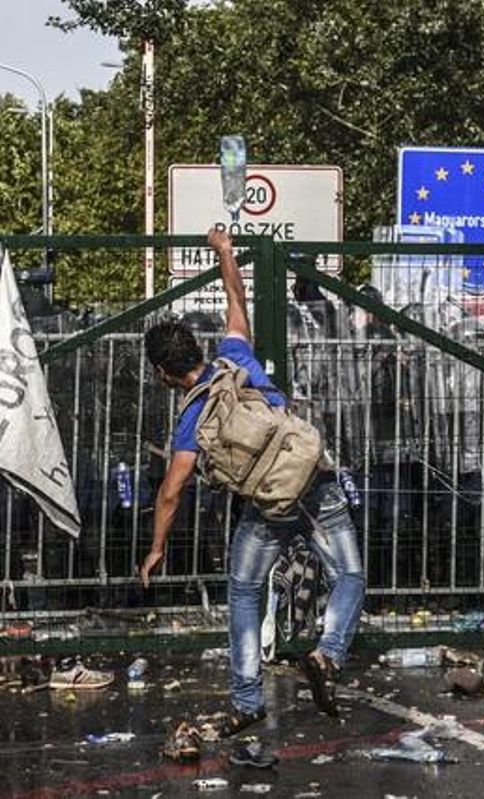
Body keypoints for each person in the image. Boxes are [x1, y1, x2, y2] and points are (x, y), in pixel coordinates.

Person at [140, 228, 366, 736]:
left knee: (244, 591)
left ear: (161, 372)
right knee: (349, 575)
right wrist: (224, 251)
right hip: (314, 481)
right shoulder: (234, 361)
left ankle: (247, 700)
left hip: (267, 507)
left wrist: (156, 547)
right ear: (198, 348)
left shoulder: (192, 420)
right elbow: (237, 299)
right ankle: (327, 655)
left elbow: (172, 491)